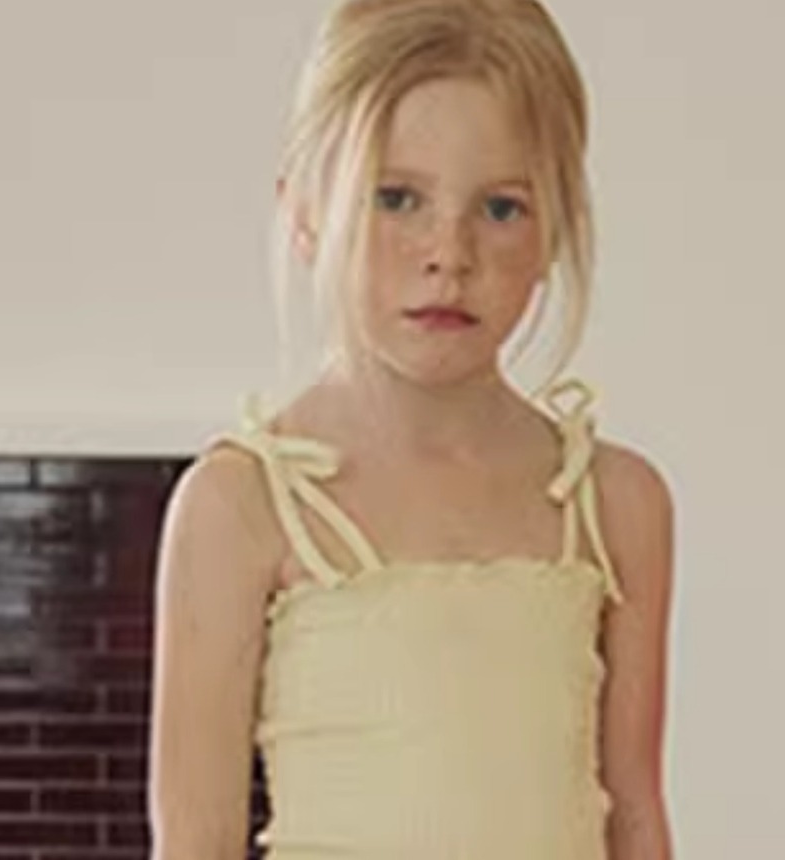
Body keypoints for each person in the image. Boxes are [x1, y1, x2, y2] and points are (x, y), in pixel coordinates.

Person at [146, 1, 676, 857]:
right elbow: (195, 840)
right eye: (397, 199)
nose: (449, 254)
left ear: (557, 228)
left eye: (500, 208)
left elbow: (637, 813)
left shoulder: (615, 503)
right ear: (306, 212)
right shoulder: (240, 506)